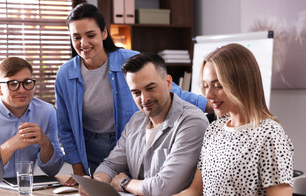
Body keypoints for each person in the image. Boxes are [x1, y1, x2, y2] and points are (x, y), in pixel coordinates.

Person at [55, 3, 212, 186]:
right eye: (76, 37)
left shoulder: (129, 61)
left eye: (90, 35)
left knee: (136, 188)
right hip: (91, 148)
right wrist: (79, 172)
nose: (84, 43)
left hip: (129, 141)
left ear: (104, 33)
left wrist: (215, 105)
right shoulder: (65, 75)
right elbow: (65, 128)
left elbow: (173, 93)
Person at [147, 44, 294, 196]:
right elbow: (197, 192)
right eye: (206, 85)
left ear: (242, 83)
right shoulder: (214, 129)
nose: (208, 95)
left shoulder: (270, 134)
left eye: (218, 86)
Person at [78, 53, 209, 196]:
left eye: (150, 88)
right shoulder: (136, 120)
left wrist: (125, 183)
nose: (144, 99)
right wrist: (97, 182)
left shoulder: (192, 122)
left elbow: (163, 188)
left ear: (168, 83)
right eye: (136, 92)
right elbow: (111, 165)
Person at [0, 57, 64, 182]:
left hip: (25, 189)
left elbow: (52, 171)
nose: (22, 90)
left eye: (27, 82)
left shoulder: (47, 112)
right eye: (13, 84)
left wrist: (45, 142)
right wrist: (9, 146)